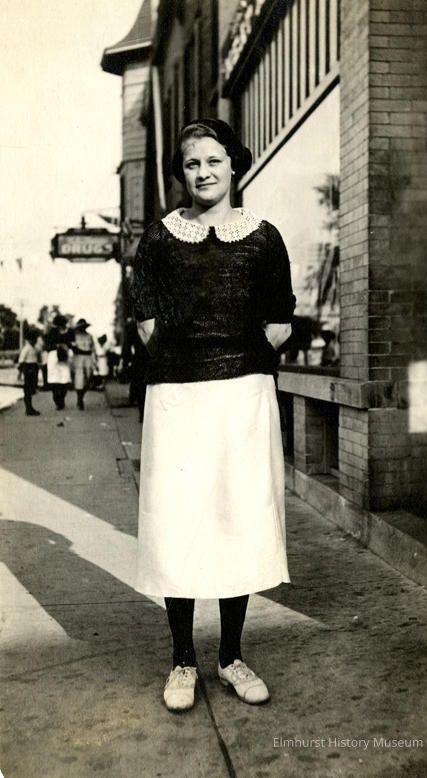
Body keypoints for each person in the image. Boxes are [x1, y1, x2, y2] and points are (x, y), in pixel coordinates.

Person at [130, 118, 295, 713]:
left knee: (237, 518)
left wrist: (241, 361)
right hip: (178, 397)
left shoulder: (263, 237)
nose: (203, 173)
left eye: (213, 161)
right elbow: (144, 314)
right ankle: (182, 660)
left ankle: (230, 657)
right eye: (192, 164)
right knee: (178, 522)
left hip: (242, 399)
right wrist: (184, 358)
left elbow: (280, 319)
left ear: (234, 165)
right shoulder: (160, 238)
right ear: (182, 173)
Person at [46, 315, 73, 411]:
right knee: (62, 379)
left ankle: (58, 399)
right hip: (57, 355)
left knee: (59, 379)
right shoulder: (66, 332)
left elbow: (47, 345)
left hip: (58, 355)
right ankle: (59, 399)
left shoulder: (52, 332)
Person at [72, 319, 95, 410]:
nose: (82, 328)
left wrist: (95, 361)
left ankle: (81, 397)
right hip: (78, 358)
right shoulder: (75, 336)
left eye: (84, 326)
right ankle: (79, 399)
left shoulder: (89, 336)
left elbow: (93, 349)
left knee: (89, 379)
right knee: (79, 379)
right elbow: (73, 348)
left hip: (88, 358)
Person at [18, 329, 42, 416]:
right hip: (28, 367)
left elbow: (39, 354)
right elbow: (21, 361)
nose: (35, 341)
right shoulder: (26, 348)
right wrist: (20, 373)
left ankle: (30, 407)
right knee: (28, 389)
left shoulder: (34, 348)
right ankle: (28, 408)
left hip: (34, 367)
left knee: (32, 388)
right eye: (33, 339)